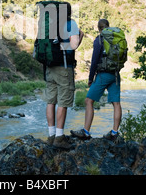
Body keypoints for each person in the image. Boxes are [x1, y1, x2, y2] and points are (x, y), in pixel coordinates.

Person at [71, 19, 122, 144]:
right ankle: (115, 132)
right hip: (115, 74)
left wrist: (90, 78)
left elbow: (94, 61)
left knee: (89, 101)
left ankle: (86, 131)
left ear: (98, 28)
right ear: (108, 26)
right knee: (116, 103)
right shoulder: (116, 39)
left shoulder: (99, 40)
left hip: (103, 74)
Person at [44, 10, 84, 149]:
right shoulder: (70, 23)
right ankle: (59, 137)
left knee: (51, 101)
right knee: (63, 102)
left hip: (49, 68)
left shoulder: (49, 24)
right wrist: (81, 36)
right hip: (63, 68)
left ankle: (51, 135)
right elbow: (73, 45)